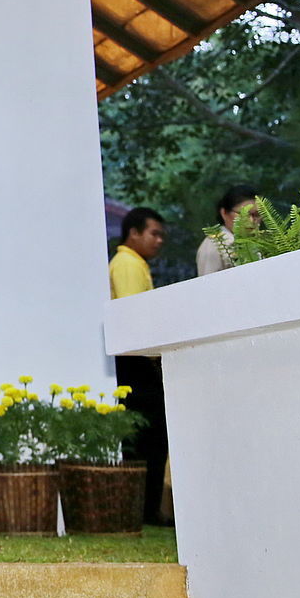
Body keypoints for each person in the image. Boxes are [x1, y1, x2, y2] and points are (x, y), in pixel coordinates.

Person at [108, 206, 169, 524]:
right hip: (137, 362)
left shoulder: (134, 263)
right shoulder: (128, 264)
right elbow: (133, 318)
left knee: (151, 437)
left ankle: (147, 509)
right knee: (147, 437)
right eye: (154, 233)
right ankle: (144, 511)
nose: (159, 241)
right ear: (133, 233)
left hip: (138, 360)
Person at [195, 185, 259, 276]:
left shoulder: (260, 243)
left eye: (256, 214)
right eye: (243, 214)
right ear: (224, 213)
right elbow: (208, 285)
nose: (251, 220)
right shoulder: (214, 245)